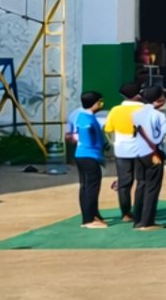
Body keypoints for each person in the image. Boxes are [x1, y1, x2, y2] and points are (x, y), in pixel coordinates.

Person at [129, 86, 166, 231]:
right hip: (153, 154)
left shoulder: (136, 113)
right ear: (158, 99)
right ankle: (148, 221)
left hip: (139, 153)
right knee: (152, 187)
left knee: (141, 185)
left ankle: (138, 219)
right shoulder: (158, 115)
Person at [66, 90, 110, 228]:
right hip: (88, 156)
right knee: (90, 187)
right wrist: (89, 142)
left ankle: (93, 215)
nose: (102, 104)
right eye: (100, 101)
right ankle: (88, 219)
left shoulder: (88, 115)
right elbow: (84, 130)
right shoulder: (85, 117)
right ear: (95, 103)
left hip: (88, 155)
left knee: (88, 186)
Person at [104, 81, 144, 223]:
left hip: (122, 150)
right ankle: (141, 212)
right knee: (142, 181)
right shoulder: (145, 109)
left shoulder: (115, 110)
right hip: (141, 150)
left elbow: (108, 129)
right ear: (138, 94)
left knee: (124, 183)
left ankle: (125, 214)